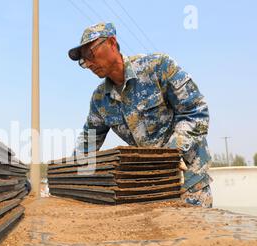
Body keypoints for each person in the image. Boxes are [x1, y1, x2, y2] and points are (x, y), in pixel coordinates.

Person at [69, 22, 212, 208]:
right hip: (151, 187)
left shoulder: (158, 67)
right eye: (83, 60)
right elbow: (88, 141)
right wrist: (67, 177)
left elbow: (196, 112)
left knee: (193, 234)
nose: (88, 63)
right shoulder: (100, 99)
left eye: (90, 54)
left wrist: (169, 155)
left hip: (189, 183)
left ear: (112, 42)